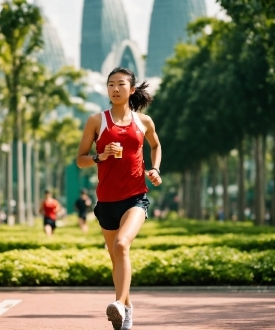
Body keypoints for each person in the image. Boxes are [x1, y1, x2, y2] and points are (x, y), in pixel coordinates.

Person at [76, 67, 162, 330]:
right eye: (111, 84)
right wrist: (99, 157)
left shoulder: (143, 122)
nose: (115, 88)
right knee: (117, 260)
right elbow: (80, 160)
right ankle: (129, 309)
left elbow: (155, 145)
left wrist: (155, 169)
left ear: (131, 89)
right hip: (106, 202)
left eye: (121, 84)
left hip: (135, 198)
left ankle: (119, 306)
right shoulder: (96, 121)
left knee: (122, 245)